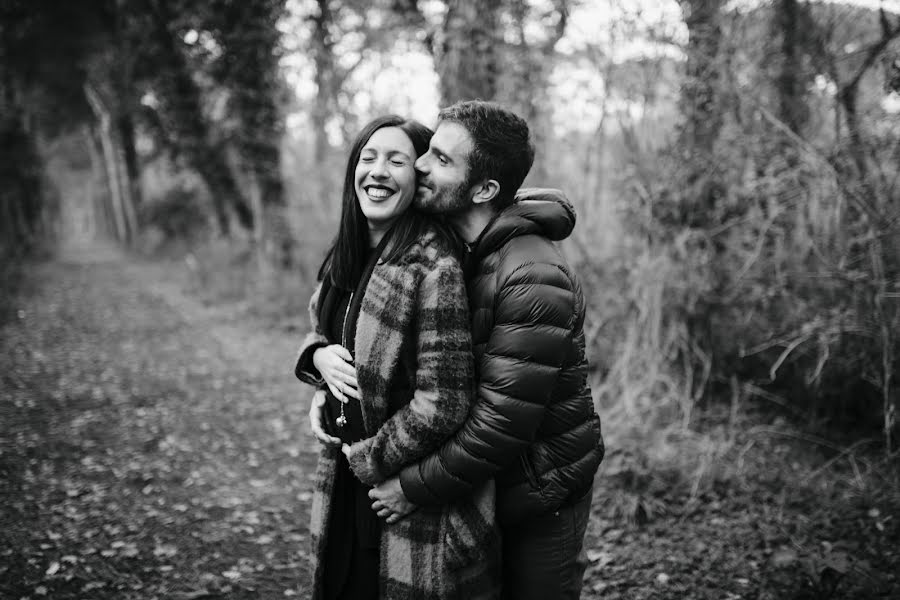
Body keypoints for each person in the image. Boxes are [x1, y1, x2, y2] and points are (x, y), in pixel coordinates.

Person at [368, 100, 605, 600]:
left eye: (442, 160)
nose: (421, 166)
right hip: (487, 491)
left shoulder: (531, 275)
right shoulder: (456, 247)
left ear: (485, 189)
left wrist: (412, 486)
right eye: (427, 151)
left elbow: (501, 421)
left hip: (543, 493)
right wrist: (319, 359)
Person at [294, 115, 500, 600]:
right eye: (368, 157)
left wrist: (371, 458)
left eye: (396, 160)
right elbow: (327, 332)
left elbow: (444, 400)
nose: (378, 171)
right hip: (342, 480)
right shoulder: (346, 254)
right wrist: (317, 359)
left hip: (399, 491)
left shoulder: (432, 266)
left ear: (419, 176)